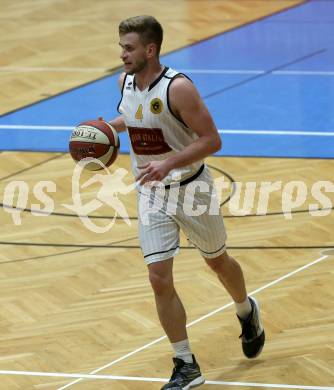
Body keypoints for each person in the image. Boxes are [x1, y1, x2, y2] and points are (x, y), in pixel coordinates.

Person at [108, 15, 265, 390]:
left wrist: (170, 163)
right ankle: (185, 363)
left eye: (128, 48)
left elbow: (212, 140)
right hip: (151, 193)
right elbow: (134, 116)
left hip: (192, 190)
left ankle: (246, 309)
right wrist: (106, 128)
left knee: (217, 261)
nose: (122, 54)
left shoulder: (178, 89)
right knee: (158, 278)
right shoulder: (125, 82)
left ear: (150, 49)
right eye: (121, 47)